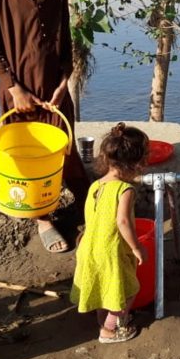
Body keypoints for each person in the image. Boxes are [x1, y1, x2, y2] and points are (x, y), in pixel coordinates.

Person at [0, 0, 90, 253]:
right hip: (18, 95)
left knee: (66, 153)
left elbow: (65, 40)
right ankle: (43, 218)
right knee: (30, 161)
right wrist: (14, 88)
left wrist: (64, 80)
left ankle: (91, 207)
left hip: (54, 91)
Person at [70, 122, 148, 344]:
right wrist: (136, 247)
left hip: (89, 247)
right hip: (110, 251)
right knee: (128, 291)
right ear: (135, 164)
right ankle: (109, 329)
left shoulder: (95, 186)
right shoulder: (125, 190)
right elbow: (123, 221)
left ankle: (103, 318)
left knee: (104, 287)